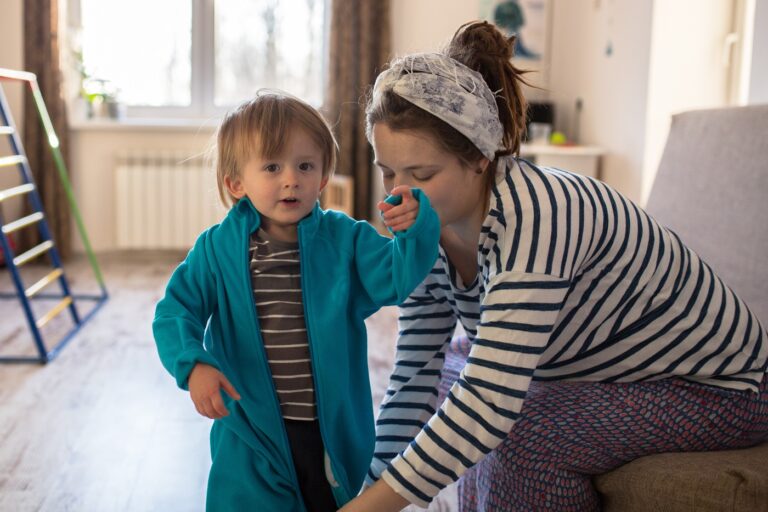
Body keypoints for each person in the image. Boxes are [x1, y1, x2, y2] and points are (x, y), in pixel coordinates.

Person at [340, 21, 768, 512]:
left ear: (480, 158)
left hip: (721, 386)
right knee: (450, 375)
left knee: (520, 430)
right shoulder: (424, 233)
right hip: (603, 371)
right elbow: (415, 374)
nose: (398, 193)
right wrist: (362, 492)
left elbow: (487, 405)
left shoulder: (537, 213)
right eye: (388, 172)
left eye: (423, 174)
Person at [152, 90, 440, 512]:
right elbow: (175, 311)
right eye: (272, 167)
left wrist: (416, 228)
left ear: (323, 177)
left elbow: (397, 276)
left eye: (305, 166)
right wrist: (193, 364)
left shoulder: (346, 240)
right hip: (250, 432)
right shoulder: (217, 250)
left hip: (325, 431)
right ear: (236, 183)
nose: (291, 179)